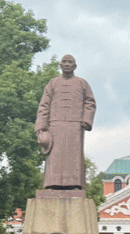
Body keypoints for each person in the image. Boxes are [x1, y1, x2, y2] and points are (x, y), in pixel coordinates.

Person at [35, 54, 96, 190]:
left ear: (75, 66)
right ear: (60, 65)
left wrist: (86, 119)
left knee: (74, 156)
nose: (67, 64)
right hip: (54, 126)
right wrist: (41, 126)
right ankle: (52, 184)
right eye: (64, 62)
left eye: (70, 62)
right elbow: (44, 105)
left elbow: (90, 102)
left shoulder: (82, 83)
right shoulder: (53, 83)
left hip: (75, 126)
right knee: (54, 156)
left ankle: (74, 184)